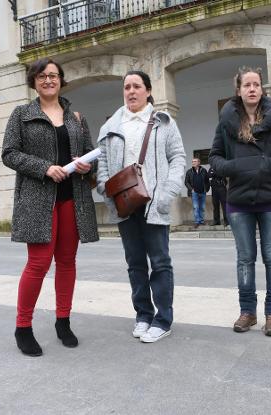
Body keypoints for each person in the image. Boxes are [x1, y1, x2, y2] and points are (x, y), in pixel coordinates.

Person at [2, 58, 99, 356]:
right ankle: (23, 327)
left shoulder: (76, 118)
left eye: (54, 75)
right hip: (37, 200)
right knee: (39, 263)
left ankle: (63, 321)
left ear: (61, 80)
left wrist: (85, 167)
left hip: (73, 198)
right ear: (34, 81)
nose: (48, 80)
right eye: (42, 76)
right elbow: (9, 154)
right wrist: (45, 167)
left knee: (67, 262)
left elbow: (89, 156)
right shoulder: (21, 115)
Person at [96, 70, 186, 343]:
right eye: (126, 87)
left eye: (136, 86)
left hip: (154, 203)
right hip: (125, 204)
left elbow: (178, 158)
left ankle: (163, 319)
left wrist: (166, 194)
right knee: (135, 263)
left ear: (148, 91)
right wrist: (105, 190)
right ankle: (143, 315)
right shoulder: (110, 126)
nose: (131, 91)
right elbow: (101, 164)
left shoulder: (163, 122)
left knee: (160, 263)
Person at [209, 67, 271, 337]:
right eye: (246, 84)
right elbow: (215, 157)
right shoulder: (226, 122)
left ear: (262, 89)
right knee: (245, 259)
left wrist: (269, 165)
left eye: (256, 84)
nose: (252, 89)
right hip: (238, 199)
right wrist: (236, 167)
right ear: (238, 90)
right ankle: (247, 312)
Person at [184, 158, 210, 228]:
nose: (193, 163)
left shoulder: (204, 170)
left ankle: (201, 221)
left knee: (202, 207)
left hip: (203, 192)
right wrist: (191, 189)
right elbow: (186, 182)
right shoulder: (189, 171)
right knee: (196, 207)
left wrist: (206, 189)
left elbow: (207, 181)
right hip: (194, 192)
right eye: (192, 162)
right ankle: (197, 221)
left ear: (199, 162)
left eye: (195, 161)